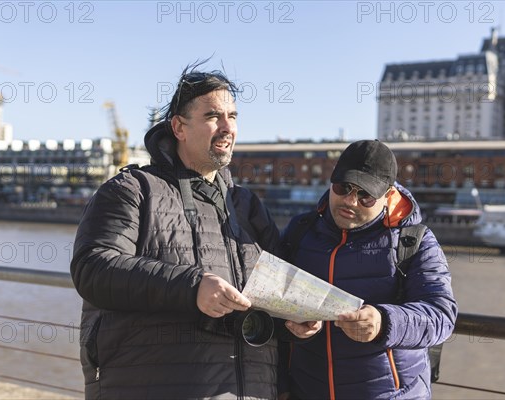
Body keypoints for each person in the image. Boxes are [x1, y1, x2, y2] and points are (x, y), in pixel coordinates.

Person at [70, 63, 318, 399]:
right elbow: (93, 267)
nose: (227, 127)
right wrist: (192, 287)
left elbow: (274, 292)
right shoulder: (132, 189)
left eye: (233, 116)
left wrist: (293, 320)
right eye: (213, 116)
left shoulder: (247, 205)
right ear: (179, 127)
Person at [280, 140, 458, 400]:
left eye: (365, 195)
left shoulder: (414, 241)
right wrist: (289, 324)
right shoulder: (299, 232)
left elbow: (442, 316)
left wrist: (384, 322)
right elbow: (269, 303)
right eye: (343, 188)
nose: (350, 201)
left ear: (387, 197)